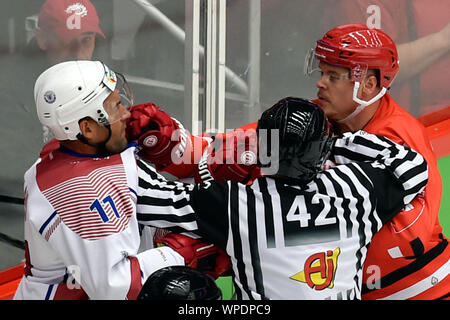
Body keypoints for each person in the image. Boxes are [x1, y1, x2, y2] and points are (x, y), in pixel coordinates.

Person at [126, 24, 450, 300]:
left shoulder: (401, 136)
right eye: (322, 72)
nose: (320, 82)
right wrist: (173, 145)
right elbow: (239, 145)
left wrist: (245, 239)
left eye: (333, 76)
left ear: (369, 84)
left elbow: (399, 238)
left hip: (423, 290)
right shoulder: (314, 120)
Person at [129, 97, 428, 300]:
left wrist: (128, 147)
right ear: (320, 151)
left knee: (175, 291)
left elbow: (146, 197)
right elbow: (412, 165)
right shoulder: (356, 189)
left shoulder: (237, 203)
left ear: (263, 146)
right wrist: (334, 143)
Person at [13, 60, 229, 300]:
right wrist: (180, 254)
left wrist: (173, 143)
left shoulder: (85, 151)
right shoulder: (79, 190)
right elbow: (116, 287)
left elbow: (165, 201)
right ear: (88, 128)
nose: (127, 113)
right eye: (116, 107)